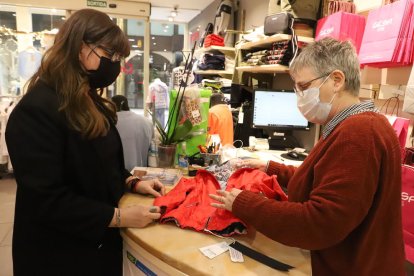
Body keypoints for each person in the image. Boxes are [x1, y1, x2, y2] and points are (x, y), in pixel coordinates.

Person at [210, 38, 405, 275]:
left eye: (303, 87)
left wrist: (244, 203)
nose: (299, 96)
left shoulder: (358, 134)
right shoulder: (356, 125)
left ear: (336, 80)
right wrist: (272, 168)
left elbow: (319, 224)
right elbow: (327, 181)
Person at [6, 9, 165, 276]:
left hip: (96, 247)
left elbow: (101, 161)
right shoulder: (36, 110)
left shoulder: (87, 98)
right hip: (59, 255)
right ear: (81, 47)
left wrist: (132, 182)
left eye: (119, 58)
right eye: (110, 55)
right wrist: (119, 217)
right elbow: (46, 200)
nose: (115, 64)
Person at [111, 95, 153, 170]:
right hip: (142, 173)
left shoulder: (109, 123)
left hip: (118, 174)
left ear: (112, 107)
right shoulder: (147, 122)